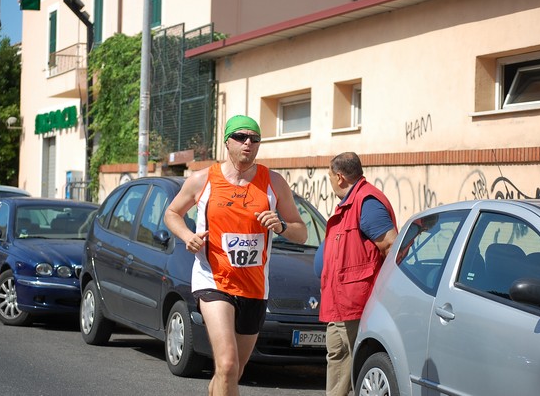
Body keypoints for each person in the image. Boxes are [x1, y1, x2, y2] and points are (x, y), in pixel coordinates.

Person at [164, 114, 307, 396]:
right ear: (227, 141)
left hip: (254, 287)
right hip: (213, 280)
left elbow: (301, 232)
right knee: (227, 364)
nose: (248, 144)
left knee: (233, 372)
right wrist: (188, 237)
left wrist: (280, 225)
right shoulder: (202, 180)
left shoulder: (273, 183)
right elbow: (172, 214)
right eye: (241, 137)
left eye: (254, 139)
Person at [320, 152, 398, 396]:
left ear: (340, 177)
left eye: (331, 176)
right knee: (340, 359)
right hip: (342, 303)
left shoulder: (367, 203)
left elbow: (391, 246)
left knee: (350, 364)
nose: (331, 181)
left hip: (356, 304)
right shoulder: (352, 202)